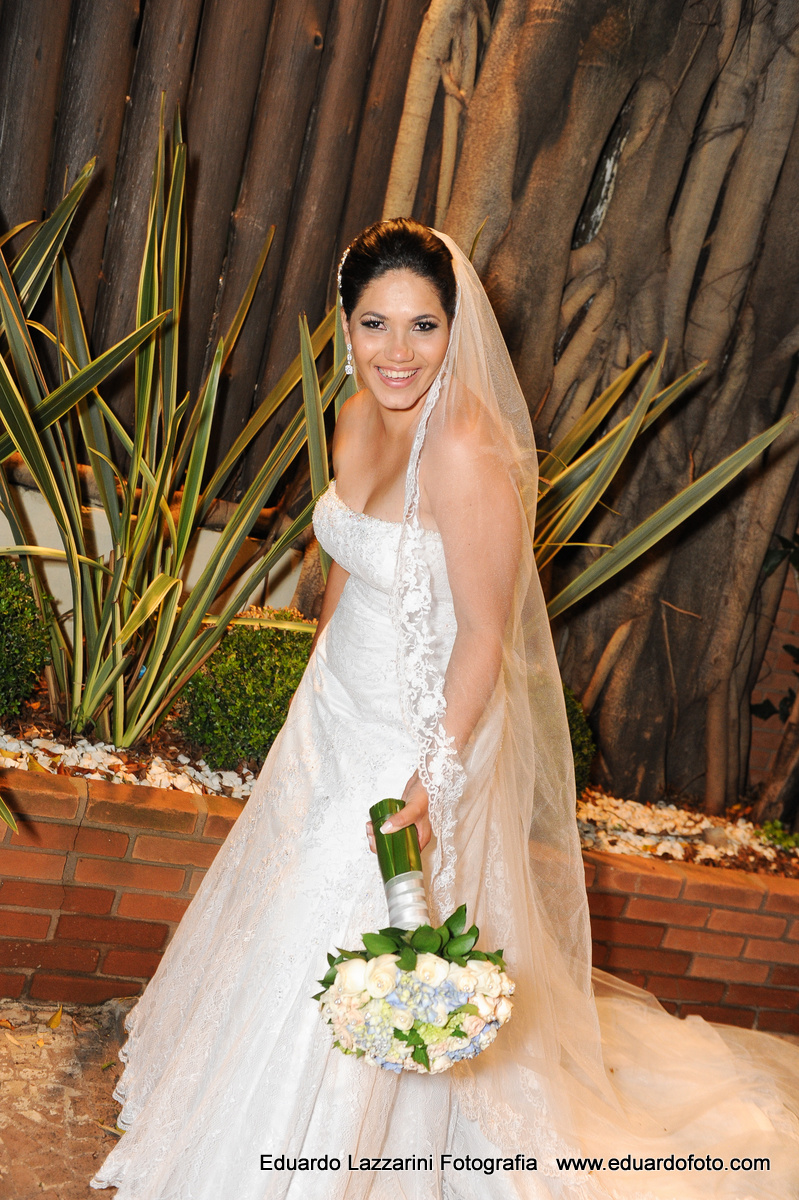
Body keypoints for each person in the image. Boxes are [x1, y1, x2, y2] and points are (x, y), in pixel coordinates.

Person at [91, 220, 799, 1199]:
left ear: (454, 328)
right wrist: (308, 687)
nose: (396, 351)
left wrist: (435, 772)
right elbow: (341, 557)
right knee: (278, 908)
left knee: (341, 924)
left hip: (412, 738)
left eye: (422, 326)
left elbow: (481, 635)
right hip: (334, 713)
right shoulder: (350, 415)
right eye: (375, 324)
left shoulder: (463, 451)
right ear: (344, 327)